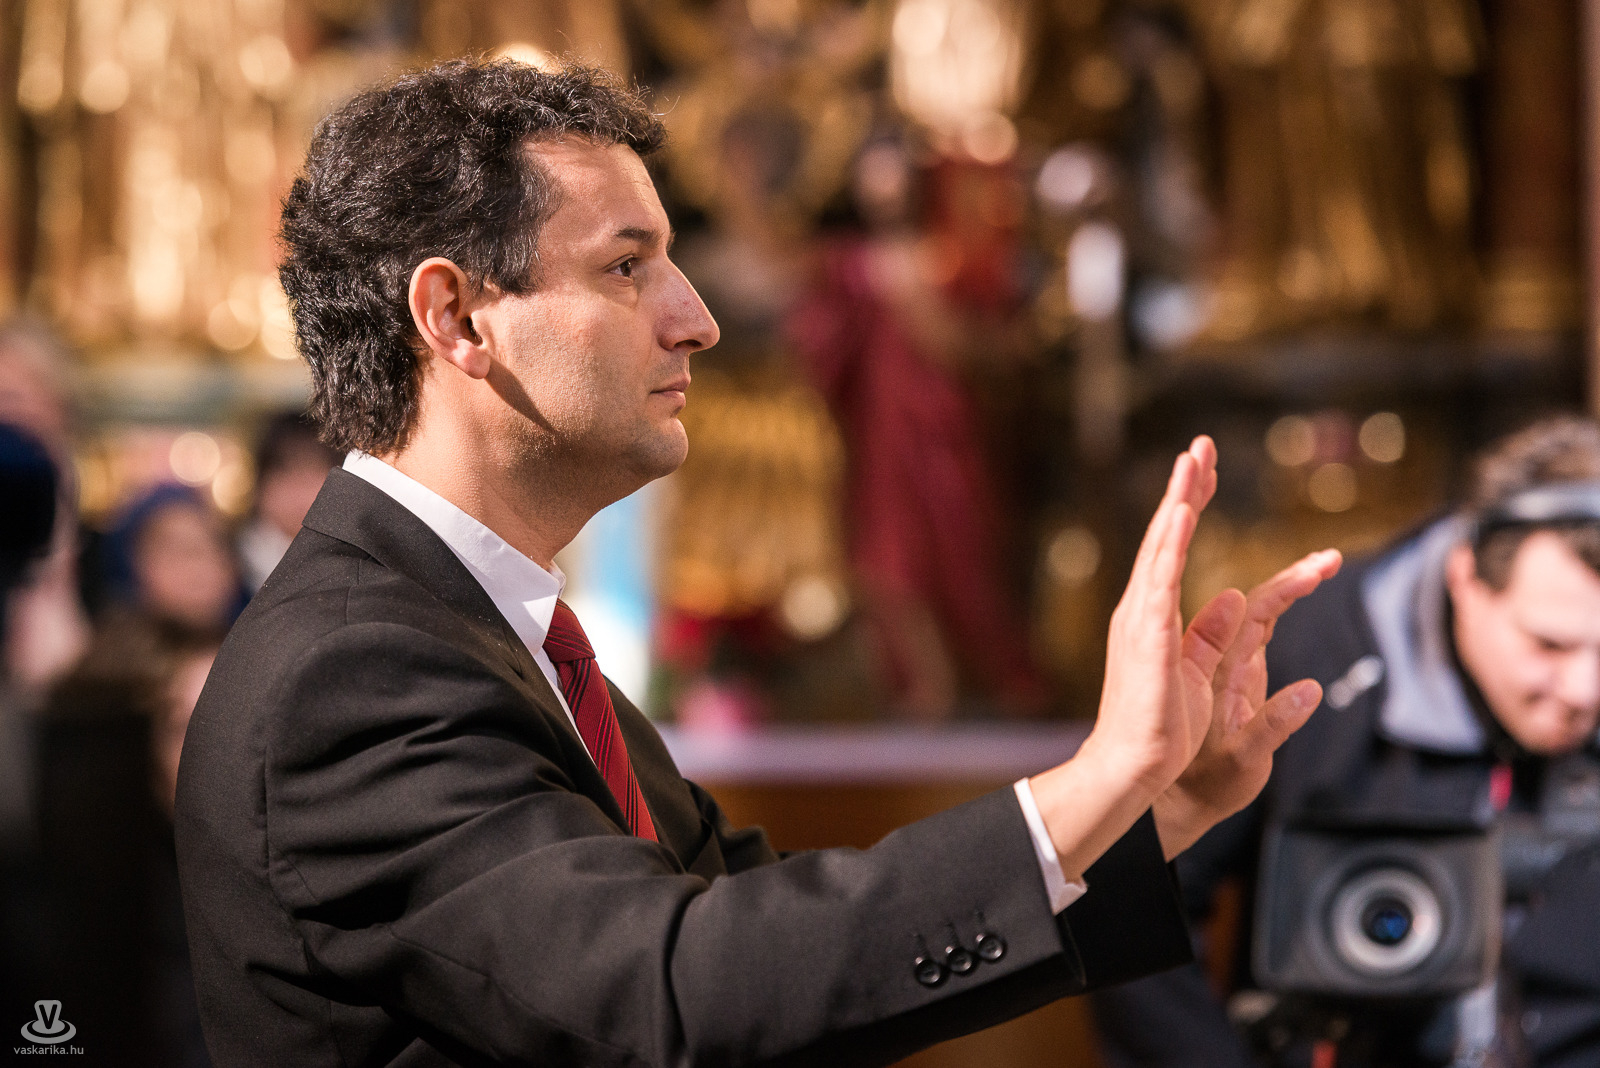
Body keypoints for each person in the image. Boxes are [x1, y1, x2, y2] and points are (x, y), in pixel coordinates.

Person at [174, 59, 1340, 1068]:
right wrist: (1090, 782)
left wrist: (1150, 812)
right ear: (457, 318)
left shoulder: (479, 630)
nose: (697, 319)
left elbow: (762, 937)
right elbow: (676, 990)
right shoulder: (354, 672)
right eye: (626, 267)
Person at [1090, 416, 1600, 1068]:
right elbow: (1129, 891)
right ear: (1466, 579)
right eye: (1549, 645)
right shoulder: (1305, 663)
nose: (1585, 690)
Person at [236, 410, 340, 593]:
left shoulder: (362, 567)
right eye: (285, 473)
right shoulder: (228, 571)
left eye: (311, 473)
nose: (299, 492)